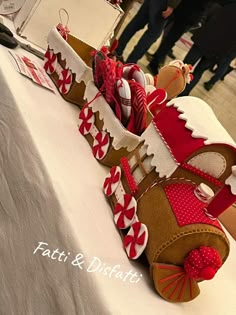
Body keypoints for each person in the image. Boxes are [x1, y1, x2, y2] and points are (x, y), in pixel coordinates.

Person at [180, 0, 236, 96]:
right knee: (198, 72)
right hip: (220, 48)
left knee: (185, 66)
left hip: (207, 37)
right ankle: (182, 96)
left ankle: (172, 88)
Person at [147, 0, 211, 75]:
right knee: (170, 39)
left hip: (184, 11)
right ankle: (155, 61)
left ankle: (157, 57)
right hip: (188, 14)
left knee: (169, 37)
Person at [115, 0, 181, 64]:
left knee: (136, 23)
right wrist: (172, 5)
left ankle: (117, 51)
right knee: (152, 34)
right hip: (164, 3)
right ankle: (131, 62)